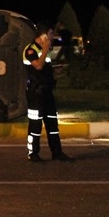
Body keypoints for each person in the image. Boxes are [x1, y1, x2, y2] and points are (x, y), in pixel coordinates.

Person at [23, 21, 73, 162]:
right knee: (35, 124)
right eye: (50, 34)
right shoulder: (30, 49)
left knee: (52, 123)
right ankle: (33, 153)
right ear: (43, 35)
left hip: (47, 92)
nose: (52, 37)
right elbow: (38, 66)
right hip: (35, 92)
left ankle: (57, 152)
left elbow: (45, 68)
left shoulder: (47, 51)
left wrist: (57, 71)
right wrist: (45, 48)